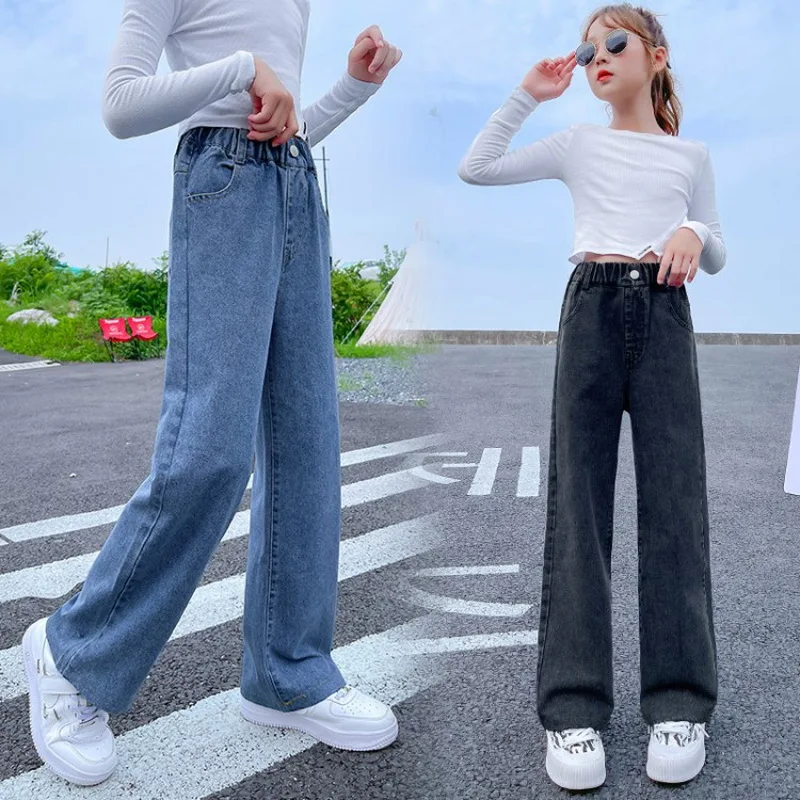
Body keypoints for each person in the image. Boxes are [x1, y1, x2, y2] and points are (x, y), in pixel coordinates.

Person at [21, 0, 402, 787]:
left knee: (306, 446)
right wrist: (239, 70)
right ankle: (70, 653)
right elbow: (120, 106)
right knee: (210, 448)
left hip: (292, 186)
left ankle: (287, 674)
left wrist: (350, 88)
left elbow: (282, 131)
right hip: (220, 188)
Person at [457, 2, 725, 791]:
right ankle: (574, 715)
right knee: (579, 507)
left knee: (676, 503)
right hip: (593, 305)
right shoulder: (578, 143)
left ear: (657, 56)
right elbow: (478, 165)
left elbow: (716, 245)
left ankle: (679, 703)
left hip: (667, 312)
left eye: (615, 43)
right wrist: (529, 93)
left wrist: (693, 234)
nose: (597, 57)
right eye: (588, 49)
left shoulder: (692, 155)